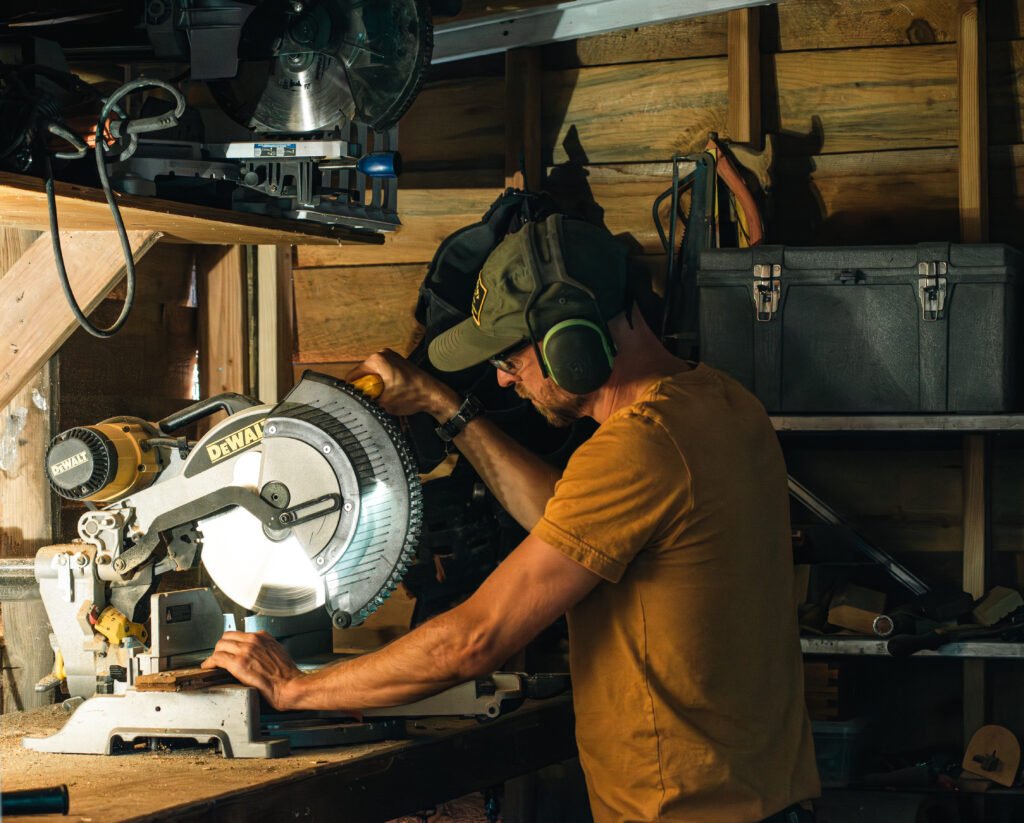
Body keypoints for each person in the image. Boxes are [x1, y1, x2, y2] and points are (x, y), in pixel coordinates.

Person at [204, 214, 820, 822]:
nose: (503, 377)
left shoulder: (640, 446)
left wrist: (294, 689)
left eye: (509, 356)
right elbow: (565, 516)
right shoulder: (720, 401)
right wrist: (442, 403)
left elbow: (477, 638)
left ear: (570, 342)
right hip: (758, 797)